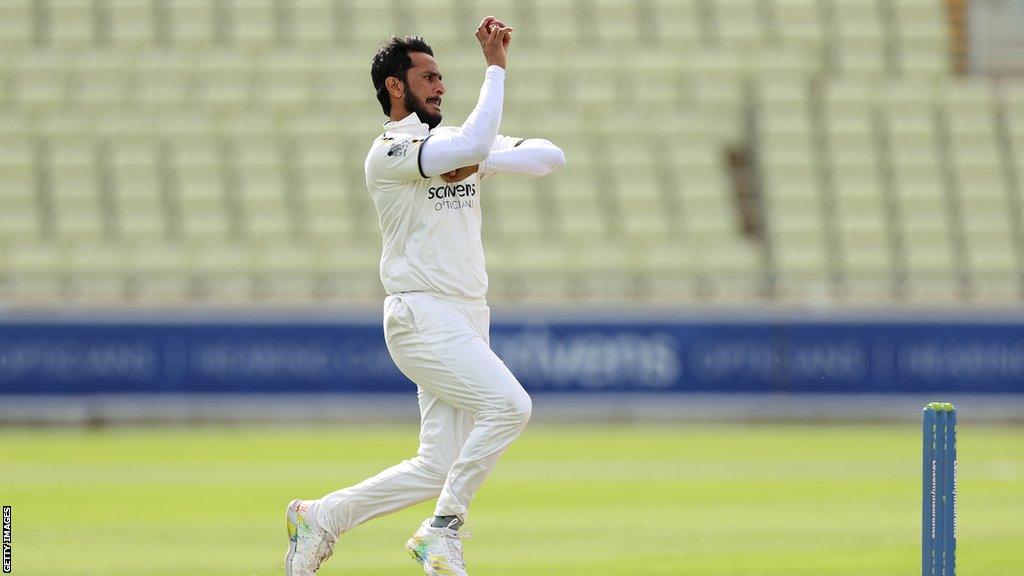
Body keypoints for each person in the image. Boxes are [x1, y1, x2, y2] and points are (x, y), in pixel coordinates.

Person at [284, 15, 565, 576]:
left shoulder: (454, 145)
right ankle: (443, 529)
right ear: (396, 86)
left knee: (437, 466)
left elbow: (548, 155)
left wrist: (480, 158)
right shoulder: (390, 151)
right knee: (511, 406)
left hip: (466, 315)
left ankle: (322, 517)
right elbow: (475, 139)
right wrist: (495, 69)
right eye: (429, 77)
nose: (440, 86)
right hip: (421, 313)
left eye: (442, 78)